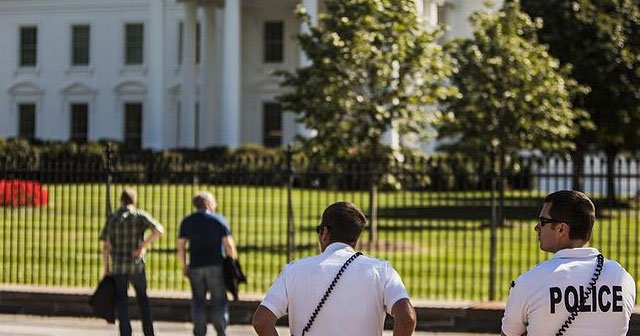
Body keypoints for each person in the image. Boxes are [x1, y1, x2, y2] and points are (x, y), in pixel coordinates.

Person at [252, 201, 417, 336]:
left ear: (324, 232)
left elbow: (261, 321)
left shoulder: (293, 271)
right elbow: (407, 318)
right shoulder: (381, 270)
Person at [501, 190, 636, 336]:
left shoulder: (530, 282)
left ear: (561, 229)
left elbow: (509, 333)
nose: (537, 227)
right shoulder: (623, 279)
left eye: (543, 221)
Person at [100, 188, 164, 336]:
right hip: (136, 264)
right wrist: (143, 245)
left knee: (122, 301)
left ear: (120, 200)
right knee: (143, 299)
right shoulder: (139, 215)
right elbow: (159, 230)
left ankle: (125, 333)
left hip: (118, 265)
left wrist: (106, 268)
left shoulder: (112, 218)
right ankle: (148, 332)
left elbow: (106, 247)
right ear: (134, 200)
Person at [177, 191, 238, 336]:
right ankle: (220, 330)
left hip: (196, 266)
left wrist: (184, 265)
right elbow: (229, 245)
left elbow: (181, 247)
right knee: (219, 300)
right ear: (209, 204)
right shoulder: (218, 220)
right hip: (216, 265)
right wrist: (232, 263)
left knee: (198, 301)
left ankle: (199, 332)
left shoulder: (187, 221)